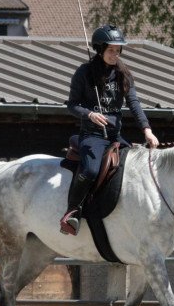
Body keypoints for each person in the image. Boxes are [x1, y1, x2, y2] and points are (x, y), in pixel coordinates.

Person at [60, 24, 159, 235]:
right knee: (90, 170)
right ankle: (72, 212)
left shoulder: (124, 74)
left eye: (118, 50)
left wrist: (147, 130)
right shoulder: (84, 73)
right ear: (100, 49)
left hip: (115, 136)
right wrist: (89, 114)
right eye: (111, 50)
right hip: (92, 135)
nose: (115, 54)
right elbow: (72, 104)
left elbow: (134, 103)